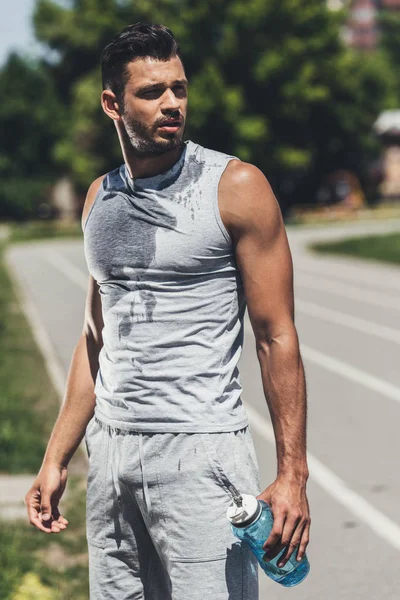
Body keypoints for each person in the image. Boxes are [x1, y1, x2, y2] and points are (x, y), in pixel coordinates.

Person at [25, 22, 310, 600]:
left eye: (178, 88)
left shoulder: (235, 187)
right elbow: (95, 338)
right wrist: (56, 458)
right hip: (111, 456)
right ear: (113, 103)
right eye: (152, 92)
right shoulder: (98, 198)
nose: (172, 103)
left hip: (201, 453)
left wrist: (292, 475)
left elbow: (276, 334)